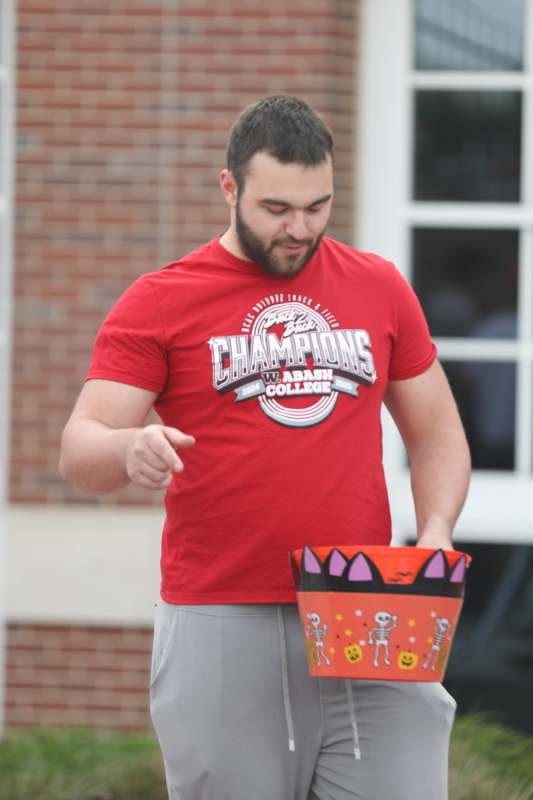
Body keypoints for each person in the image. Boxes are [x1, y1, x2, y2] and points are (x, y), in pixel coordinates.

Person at [59, 95, 471, 800]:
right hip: (224, 615)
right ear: (230, 187)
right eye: (277, 208)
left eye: (317, 207)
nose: (299, 229)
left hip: (364, 608)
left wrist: (435, 531)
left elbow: (435, 432)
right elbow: (80, 448)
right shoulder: (161, 300)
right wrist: (129, 447)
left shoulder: (377, 285)